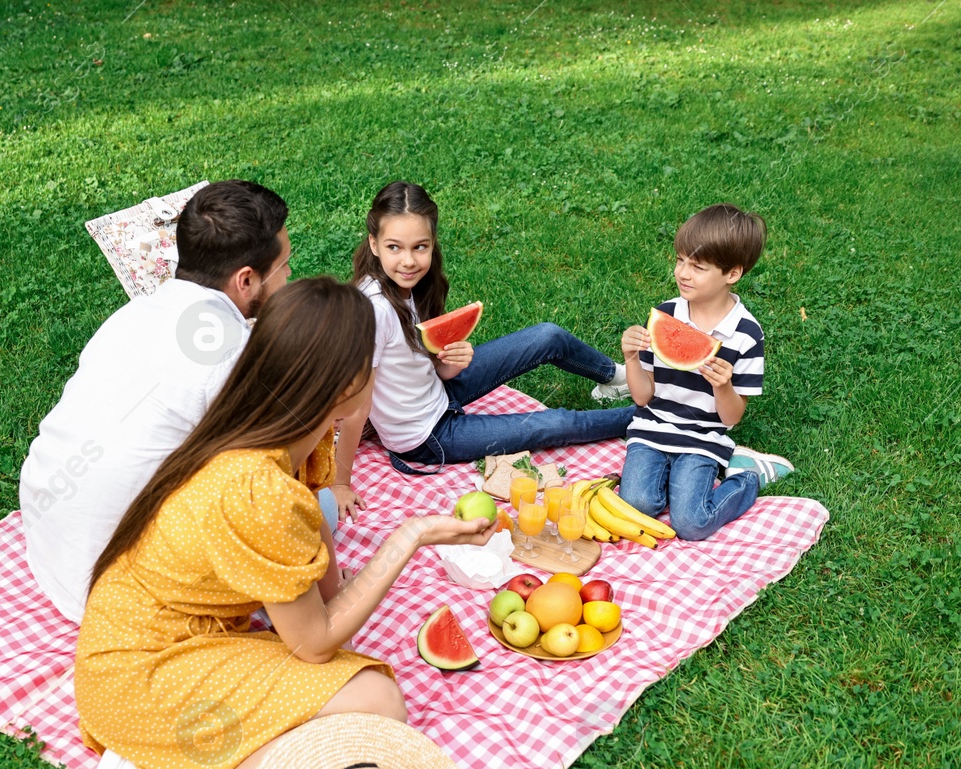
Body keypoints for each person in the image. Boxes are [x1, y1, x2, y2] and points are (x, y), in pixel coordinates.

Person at [46, 277, 497, 769]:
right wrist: (408, 539)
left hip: (143, 647)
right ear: (346, 381)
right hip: (147, 673)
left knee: (350, 690)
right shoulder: (256, 486)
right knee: (375, 699)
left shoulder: (288, 440)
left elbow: (324, 581)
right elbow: (315, 641)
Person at [18, 179, 323, 623]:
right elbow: (263, 484)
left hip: (51, 545)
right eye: (285, 267)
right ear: (246, 279)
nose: (291, 277)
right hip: (119, 588)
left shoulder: (136, 312)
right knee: (312, 515)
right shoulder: (233, 355)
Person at [328, 181, 635, 520]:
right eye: (394, 247)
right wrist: (341, 483)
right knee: (557, 423)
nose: (409, 261)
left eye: (420, 247)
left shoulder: (410, 287)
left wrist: (452, 365)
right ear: (373, 244)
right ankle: (652, 417)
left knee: (548, 335)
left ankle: (617, 378)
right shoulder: (374, 310)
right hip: (428, 436)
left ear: (432, 243)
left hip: (439, 389)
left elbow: (430, 366)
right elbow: (357, 406)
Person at [616, 203, 795, 541]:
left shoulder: (746, 334)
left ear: (732, 274)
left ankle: (746, 476)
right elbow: (642, 396)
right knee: (636, 505)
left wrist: (724, 386)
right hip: (651, 428)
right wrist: (630, 359)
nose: (683, 273)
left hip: (703, 438)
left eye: (697, 266)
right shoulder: (665, 315)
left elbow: (731, 417)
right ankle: (668, 480)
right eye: (680, 260)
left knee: (691, 523)